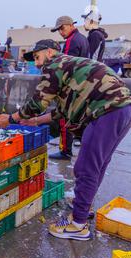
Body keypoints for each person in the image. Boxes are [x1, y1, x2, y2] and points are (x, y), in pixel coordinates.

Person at [0, 39, 131, 241]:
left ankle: (78, 225)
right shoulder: (69, 67)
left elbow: (38, 102)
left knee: (86, 168)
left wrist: (11, 118)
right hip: (122, 111)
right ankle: (84, 207)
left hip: (106, 112)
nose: (36, 62)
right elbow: (60, 112)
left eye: (37, 56)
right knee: (97, 166)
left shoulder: (55, 64)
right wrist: (35, 121)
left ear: (50, 52)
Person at [49, 16, 90, 160]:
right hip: (83, 85)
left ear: (71, 25)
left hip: (72, 86)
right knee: (80, 118)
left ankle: (65, 151)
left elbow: (66, 66)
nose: (60, 32)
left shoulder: (71, 41)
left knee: (64, 118)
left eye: (62, 28)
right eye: (58, 30)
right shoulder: (83, 39)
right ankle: (85, 149)